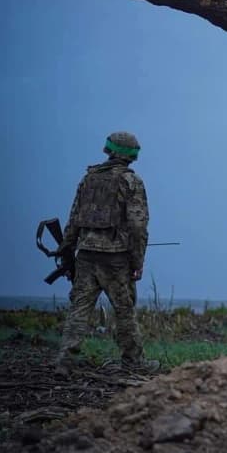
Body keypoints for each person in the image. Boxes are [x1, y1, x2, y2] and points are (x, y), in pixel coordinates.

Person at [55, 131, 159, 375]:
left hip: (86, 255)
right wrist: (137, 260)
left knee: (79, 309)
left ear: (108, 150)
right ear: (132, 156)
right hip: (115, 258)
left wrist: (67, 248)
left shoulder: (88, 179)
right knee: (124, 310)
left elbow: (73, 219)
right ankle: (134, 362)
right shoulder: (131, 182)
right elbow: (138, 226)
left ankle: (65, 363)